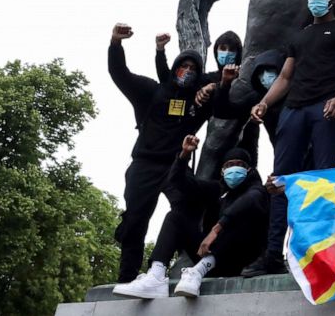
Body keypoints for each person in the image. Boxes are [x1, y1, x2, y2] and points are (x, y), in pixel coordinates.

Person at [243, 0, 335, 277]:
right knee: (279, 181)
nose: (315, 0)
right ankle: (272, 254)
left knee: (324, 182)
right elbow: (284, 78)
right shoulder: (299, 36)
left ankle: (320, 253)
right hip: (294, 109)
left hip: (326, 108)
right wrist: (265, 103)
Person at [107, 23, 221, 283]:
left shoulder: (198, 100)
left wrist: (212, 87)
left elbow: (228, 77)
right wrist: (115, 43)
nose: (188, 72)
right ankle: (127, 279)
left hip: (176, 167)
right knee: (135, 220)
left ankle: (190, 269)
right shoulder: (151, 91)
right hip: (144, 165)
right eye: (184, 66)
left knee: (186, 214)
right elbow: (119, 73)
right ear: (174, 69)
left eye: (194, 69)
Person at [112, 135, 268, 299]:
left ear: (249, 169)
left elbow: (251, 200)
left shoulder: (258, 191)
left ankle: (198, 271)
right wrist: (184, 156)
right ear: (222, 170)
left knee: (239, 218)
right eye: (229, 165)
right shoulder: (217, 190)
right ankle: (156, 275)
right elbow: (181, 184)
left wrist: (217, 228)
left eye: (239, 165)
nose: (234, 170)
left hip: (239, 260)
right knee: (176, 217)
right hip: (208, 257)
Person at [156, 30, 255, 173]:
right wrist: (160, 51)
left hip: (245, 136)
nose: (226, 53)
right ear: (216, 51)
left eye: (231, 49)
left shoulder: (245, 77)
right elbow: (170, 84)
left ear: (239, 52)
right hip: (213, 144)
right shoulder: (207, 78)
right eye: (223, 48)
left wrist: (217, 85)